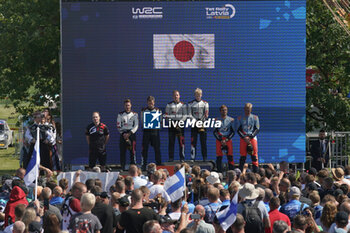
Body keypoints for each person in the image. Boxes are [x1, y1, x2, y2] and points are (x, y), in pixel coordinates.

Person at [236, 103, 260, 173]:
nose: (247, 111)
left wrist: (250, 136)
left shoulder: (255, 117)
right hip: (243, 138)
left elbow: (257, 129)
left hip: (252, 138)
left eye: (249, 110)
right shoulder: (240, 118)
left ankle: (256, 173)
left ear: (251, 109)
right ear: (244, 109)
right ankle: (240, 173)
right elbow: (238, 129)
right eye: (246, 110)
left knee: (254, 156)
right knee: (243, 156)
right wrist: (244, 137)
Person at [165, 90, 187, 162]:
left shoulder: (183, 105)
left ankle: (182, 158)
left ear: (179, 96)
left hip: (180, 125)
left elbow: (185, 115)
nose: (176, 97)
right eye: (174, 95)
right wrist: (172, 122)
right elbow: (166, 115)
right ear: (172, 96)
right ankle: (171, 158)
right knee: (171, 142)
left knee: (181, 142)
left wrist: (180, 122)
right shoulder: (169, 105)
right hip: (172, 125)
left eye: (177, 95)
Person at [117, 99, 139, 171]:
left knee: (132, 152)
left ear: (131, 105)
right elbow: (118, 125)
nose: (127, 107)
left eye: (128, 105)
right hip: (123, 134)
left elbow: (136, 125)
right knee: (122, 152)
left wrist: (129, 133)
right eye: (126, 105)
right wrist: (123, 134)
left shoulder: (135, 114)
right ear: (124, 106)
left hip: (131, 135)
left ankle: (133, 168)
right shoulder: (120, 114)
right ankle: (122, 167)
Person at [188, 88, 209, 162]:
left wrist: (201, 121)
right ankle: (192, 157)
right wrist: (194, 120)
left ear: (201, 95)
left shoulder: (205, 103)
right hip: (194, 124)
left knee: (203, 141)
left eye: (199, 95)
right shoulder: (191, 103)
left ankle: (204, 157)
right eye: (196, 95)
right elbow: (189, 114)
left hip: (202, 123)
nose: (198, 97)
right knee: (193, 142)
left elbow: (206, 114)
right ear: (194, 95)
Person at [141, 96, 162, 169]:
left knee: (157, 148)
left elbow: (160, 121)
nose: (151, 103)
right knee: (145, 149)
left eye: (152, 102)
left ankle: (159, 164)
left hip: (155, 132)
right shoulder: (143, 110)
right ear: (147, 102)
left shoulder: (158, 110)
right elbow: (142, 121)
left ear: (154, 102)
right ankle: (144, 164)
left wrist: (157, 124)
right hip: (146, 132)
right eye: (149, 102)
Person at [213, 105, 235, 172]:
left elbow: (233, 132)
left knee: (230, 156)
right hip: (219, 140)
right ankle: (219, 172)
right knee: (219, 157)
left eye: (225, 110)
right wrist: (221, 139)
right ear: (220, 111)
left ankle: (231, 171)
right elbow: (215, 132)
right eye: (222, 110)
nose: (224, 111)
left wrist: (226, 139)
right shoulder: (216, 120)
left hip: (228, 139)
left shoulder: (231, 120)